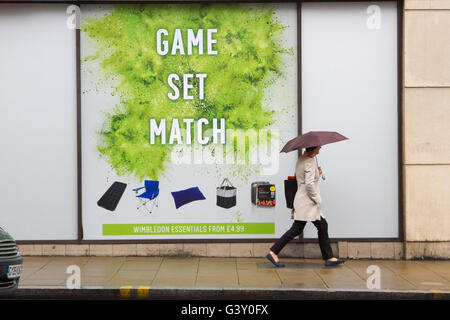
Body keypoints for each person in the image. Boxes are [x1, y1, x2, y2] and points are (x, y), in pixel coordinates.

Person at [266, 145, 344, 267]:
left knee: (322, 226)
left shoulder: (303, 159)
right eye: (319, 146)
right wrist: (317, 199)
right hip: (307, 202)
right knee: (297, 229)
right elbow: (308, 184)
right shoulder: (308, 161)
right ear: (314, 148)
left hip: (305, 201)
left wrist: (316, 173)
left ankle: (329, 257)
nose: (321, 147)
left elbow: (305, 177)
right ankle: (273, 252)